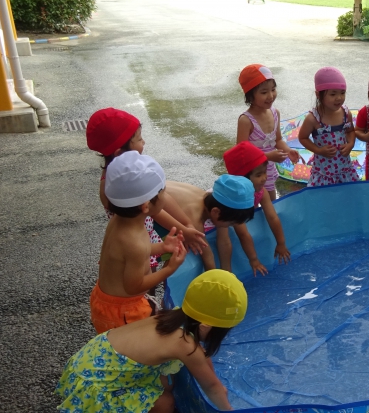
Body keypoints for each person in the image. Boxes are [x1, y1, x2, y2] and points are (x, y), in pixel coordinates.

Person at [56, 269, 246, 413]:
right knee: (165, 403)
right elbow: (213, 387)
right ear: (206, 326)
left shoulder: (172, 317)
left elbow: (201, 358)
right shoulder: (185, 344)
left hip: (88, 365)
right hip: (94, 387)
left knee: (163, 383)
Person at [86, 108, 206, 263]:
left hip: (144, 231)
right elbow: (154, 211)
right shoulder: (123, 184)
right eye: (139, 139)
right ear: (119, 153)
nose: (144, 142)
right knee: (146, 273)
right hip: (136, 242)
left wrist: (186, 223)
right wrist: (184, 230)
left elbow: (160, 197)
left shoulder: (125, 174)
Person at [91, 152, 187, 334]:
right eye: (163, 191)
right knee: (134, 349)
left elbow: (132, 254)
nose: (166, 194)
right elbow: (134, 286)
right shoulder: (133, 241)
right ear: (146, 206)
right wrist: (169, 269)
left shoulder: (121, 221)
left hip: (111, 303)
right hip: (124, 313)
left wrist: (162, 247)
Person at [163, 175, 258, 273]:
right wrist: (215, 279)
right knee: (175, 248)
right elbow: (207, 255)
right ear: (215, 212)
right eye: (230, 223)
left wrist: (228, 273)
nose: (229, 226)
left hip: (161, 191)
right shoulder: (194, 216)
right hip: (154, 206)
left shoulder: (213, 200)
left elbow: (224, 242)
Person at [236, 64, 299, 201]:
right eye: (264, 92)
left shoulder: (275, 113)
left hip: (268, 171)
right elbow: (241, 154)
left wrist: (288, 151)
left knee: (271, 202)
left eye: (273, 89)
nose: (271, 96)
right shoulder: (246, 121)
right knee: (249, 203)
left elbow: (277, 140)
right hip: (252, 174)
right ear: (250, 96)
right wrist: (268, 156)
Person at [223, 142, 291, 268]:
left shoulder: (260, 192)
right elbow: (242, 234)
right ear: (242, 179)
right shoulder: (235, 199)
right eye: (258, 175)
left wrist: (281, 243)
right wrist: (253, 259)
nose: (264, 178)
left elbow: (272, 217)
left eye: (265, 172)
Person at [298, 67, 359, 187]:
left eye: (342, 93)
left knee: (348, 196)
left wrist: (351, 144)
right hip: (324, 173)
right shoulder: (313, 118)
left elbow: (350, 131)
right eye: (333, 94)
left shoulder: (346, 114)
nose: (339, 98)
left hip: (345, 170)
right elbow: (303, 138)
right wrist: (318, 150)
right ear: (318, 95)